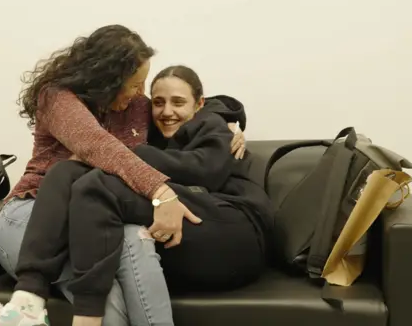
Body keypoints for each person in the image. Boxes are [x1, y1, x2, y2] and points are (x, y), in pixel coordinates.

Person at [0, 25, 246, 326]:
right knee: (107, 299)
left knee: (137, 239)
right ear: (107, 80)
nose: (140, 93)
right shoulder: (57, 97)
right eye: (135, 84)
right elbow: (99, 146)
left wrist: (225, 121)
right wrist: (161, 192)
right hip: (35, 213)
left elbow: (184, 103)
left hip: (95, 213)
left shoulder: (134, 105)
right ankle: (27, 305)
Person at [48, 65, 273, 326]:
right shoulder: (152, 131)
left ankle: (80, 313)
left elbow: (206, 171)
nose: (167, 112)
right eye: (158, 102)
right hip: (201, 228)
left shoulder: (210, 123)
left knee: (98, 185)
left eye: (178, 102)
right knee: (74, 175)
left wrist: (130, 154)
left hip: (237, 227)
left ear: (199, 104)